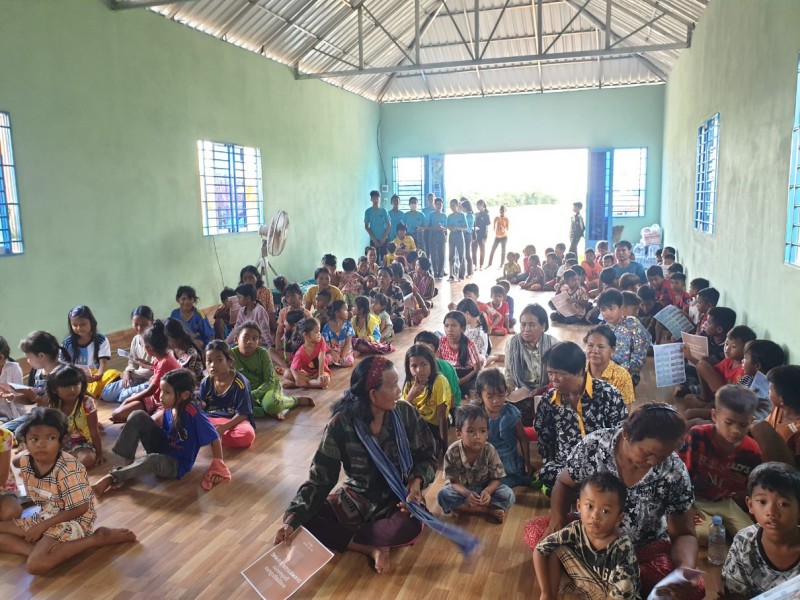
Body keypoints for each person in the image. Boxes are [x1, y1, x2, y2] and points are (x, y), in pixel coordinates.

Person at [273, 357, 438, 574]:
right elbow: (320, 479)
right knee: (304, 520)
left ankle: (355, 539)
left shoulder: (405, 413)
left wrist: (416, 482)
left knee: (409, 525)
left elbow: (428, 456)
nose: (400, 392)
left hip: (397, 500)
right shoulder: (341, 424)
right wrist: (292, 520)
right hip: (356, 499)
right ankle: (369, 548)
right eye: (392, 386)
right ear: (372, 394)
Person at [524, 404, 703, 598]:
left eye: (663, 456)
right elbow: (564, 483)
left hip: (642, 547)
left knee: (694, 587)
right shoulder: (595, 446)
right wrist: (557, 519)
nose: (653, 462)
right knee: (537, 532)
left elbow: (684, 533)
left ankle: (588, 579)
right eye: (647, 453)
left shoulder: (673, 471)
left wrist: (684, 569)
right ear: (626, 434)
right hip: (592, 537)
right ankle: (602, 581)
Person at [0, 408, 136, 575]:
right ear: (25, 443)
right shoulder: (26, 460)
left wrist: (41, 527)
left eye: (50, 438)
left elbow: (80, 509)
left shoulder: (69, 467)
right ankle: (44, 550)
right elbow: (15, 460)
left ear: (62, 440)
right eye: (34, 439)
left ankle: (96, 539)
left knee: (36, 565)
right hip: (47, 516)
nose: (41, 444)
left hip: (74, 520)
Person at [93, 369, 228, 496]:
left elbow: (215, 438)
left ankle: (114, 477)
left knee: (152, 460)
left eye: (167, 392)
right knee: (137, 415)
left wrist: (218, 465)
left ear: (184, 395)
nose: (161, 396)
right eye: (161, 391)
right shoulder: (170, 407)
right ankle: (128, 466)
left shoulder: (193, 414)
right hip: (162, 447)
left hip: (176, 465)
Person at [534, 342, 627, 489]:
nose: (553, 379)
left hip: (602, 466)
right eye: (550, 373)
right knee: (547, 473)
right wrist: (549, 462)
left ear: (578, 371)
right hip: (567, 467)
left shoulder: (608, 394)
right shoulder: (549, 401)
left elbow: (620, 435)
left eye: (560, 373)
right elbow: (545, 438)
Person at [534, 472, 639, 600]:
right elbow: (540, 549)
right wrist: (546, 593)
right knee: (554, 547)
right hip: (590, 585)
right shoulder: (575, 529)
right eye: (589, 506)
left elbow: (621, 595)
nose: (595, 516)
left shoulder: (622, 549)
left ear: (619, 518)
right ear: (578, 507)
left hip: (615, 595)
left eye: (605, 511)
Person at [678, 385, 762, 545]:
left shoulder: (752, 451)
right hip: (694, 499)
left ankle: (721, 527)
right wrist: (686, 508)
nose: (736, 430)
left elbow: (755, 486)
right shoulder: (697, 436)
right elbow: (679, 475)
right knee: (703, 535)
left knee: (753, 538)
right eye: (729, 422)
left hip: (725, 501)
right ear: (715, 416)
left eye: (743, 425)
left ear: (751, 421)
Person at [722, 462, 800, 597]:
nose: (771, 512)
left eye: (783, 504)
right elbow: (733, 592)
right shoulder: (745, 542)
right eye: (762, 502)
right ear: (750, 505)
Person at [438, 404, 515, 523]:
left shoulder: (489, 450)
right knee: (443, 494)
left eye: (482, 431)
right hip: (463, 491)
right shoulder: (452, 451)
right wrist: (467, 494)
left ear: (487, 433)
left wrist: (487, 491)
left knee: (508, 494)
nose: (477, 436)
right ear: (459, 433)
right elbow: (453, 481)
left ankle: (467, 508)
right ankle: (487, 511)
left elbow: (497, 478)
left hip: (484, 490)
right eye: (471, 431)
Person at [233, 322, 314, 419]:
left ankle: (294, 401)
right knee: (235, 408)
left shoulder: (263, 354)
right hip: (245, 393)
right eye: (246, 337)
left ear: (259, 341)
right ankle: (270, 410)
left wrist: (253, 395)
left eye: (254, 339)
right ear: (236, 339)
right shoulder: (230, 356)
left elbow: (269, 381)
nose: (250, 341)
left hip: (268, 388)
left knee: (270, 405)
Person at [111, 321, 181, 423]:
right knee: (117, 414)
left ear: (148, 348)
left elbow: (150, 391)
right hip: (155, 399)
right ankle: (143, 417)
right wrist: (145, 364)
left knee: (151, 424)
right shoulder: (159, 358)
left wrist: (128, 400)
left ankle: (147, 418)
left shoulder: (165, 362)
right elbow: (155, 371)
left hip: (167, 402)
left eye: (143, 345)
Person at [478, 369, 532, 488]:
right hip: (486, 461)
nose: (496, 401)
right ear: (480, 396)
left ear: (506, 393)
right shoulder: (477, 416)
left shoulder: (511, 413)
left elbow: (523, 438)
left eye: (501, 395)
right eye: (490, 397)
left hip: (509, 462)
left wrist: (527, 463)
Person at [0, 331, 64, 433]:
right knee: (4, 430)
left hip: (56, 418)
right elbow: (31, 400)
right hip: (39, 414)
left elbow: (57, 406)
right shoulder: (37, 372)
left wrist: (34, 397)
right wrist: (12, 397)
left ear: (41, 356)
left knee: (17, 432)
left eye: (29, 357)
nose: (28, 361)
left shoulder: (61, 375)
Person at [504, 304, 557, 424]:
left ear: (543, 326)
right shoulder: (512, 344)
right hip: (524, 393)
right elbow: (509, 373)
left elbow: (559, 377)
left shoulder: (553, 345)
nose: (526, 329)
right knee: (505, 412)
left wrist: (543, 389)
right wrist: (507, 395)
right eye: (523, 324)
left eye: (532, 325)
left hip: (549, 390)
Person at [199, 340, 256, 449]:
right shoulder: (206, 382)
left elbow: (243, 413)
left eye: (219, 360)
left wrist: (223, 428)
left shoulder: (240, 383)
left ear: (229, 361)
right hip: (212, 419)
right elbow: (202, 408)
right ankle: (213, 436)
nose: (212, 365)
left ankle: (211, 437)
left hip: (235, 421)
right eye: (209, 361)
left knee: (246, 436)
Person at [46, 365, 103, 468]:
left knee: (88, 459)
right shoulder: (53, 405)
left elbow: (94, 430)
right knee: (19, 460)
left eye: (76, 384)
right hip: (61, 445)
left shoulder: (87, 402)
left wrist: (99, 453)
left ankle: (60, 467)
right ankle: (63, 464)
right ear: (54, 389)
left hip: (83, 444)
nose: (72, 389)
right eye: (65, 386)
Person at [62, 305, 121, 400]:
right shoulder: (68, 342)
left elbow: (103, 362)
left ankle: (95, 392)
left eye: (83, 324)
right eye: (75, 325)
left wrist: (97, 376)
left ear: (91, 322)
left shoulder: (101, 339)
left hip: (96, 376)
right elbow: (64, 364)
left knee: (113, 373)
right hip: (76, 379)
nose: (79, 328)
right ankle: (94, 393)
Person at [401, 344, 450, 455]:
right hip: (416, 424)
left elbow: (441, 417)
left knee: (431, 452)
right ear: (408, 368)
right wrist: (411, 395)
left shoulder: (439, 381)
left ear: (431, 364)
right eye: (414, 366)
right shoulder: (409, 383)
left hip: (433, 425)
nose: (419, 370)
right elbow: (400, 411)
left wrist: (445, 448)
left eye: (424, 364)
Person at [101, 306, 154, 403]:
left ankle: (133, 396)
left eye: (144, 324)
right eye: (136, 324)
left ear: (152, 322)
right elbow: (132, 362)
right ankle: (132, 395)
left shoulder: (157, 340)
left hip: (150, 380)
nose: (139, 328)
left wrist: (133, 374)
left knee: (122, 397)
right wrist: (127, 371)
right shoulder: (136, 339)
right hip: (136, 376)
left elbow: (155, 370)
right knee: (106, 394)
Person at [597, 290, 651, 386]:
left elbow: (640, 353)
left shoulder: (632, 324)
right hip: (604, 373)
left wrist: (629, 372)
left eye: (611, 308)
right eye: (603, 309)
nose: (607, 313)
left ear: (621, 308)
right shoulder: (602, 329)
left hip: (627, 375)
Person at [584, 326, 635, 410]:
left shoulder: (622, 376)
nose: (594, 350)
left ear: (612, 351)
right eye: (590, 345)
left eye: (600, 347)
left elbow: (625, 412)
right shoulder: (579, 369)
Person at [414, 331, 462, 410]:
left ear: (436, 353)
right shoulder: (412, 369)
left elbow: (452, 398)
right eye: (418, 351)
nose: (422, 356)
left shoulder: (446, 368)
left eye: (428, 353)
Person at [740, 339, 786, 420]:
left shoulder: (774, 388)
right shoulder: (747, 378)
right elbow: (732, 395)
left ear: (757, 366)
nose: (742, 361)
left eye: (745, 358)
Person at [438, 312, 482, 397]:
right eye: (446, 326)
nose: (449, 329)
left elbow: (477, 368)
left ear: (462, 328)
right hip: (448, 373)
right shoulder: (441, 342)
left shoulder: (470, 344)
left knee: (463, 390)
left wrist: (460, 381)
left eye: (453, 326)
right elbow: (438, 364)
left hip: (466, 375)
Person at [283, 318, 331, 390]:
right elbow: (293, 368)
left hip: (321, 372)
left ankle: (297, 385)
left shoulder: (321, 341)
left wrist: (320, 375)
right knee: (287, 373)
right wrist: (298, 379)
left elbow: (321, 358)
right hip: (307, 375)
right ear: (306, 335)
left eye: (319, 331)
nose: (319, 334)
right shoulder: (300, 352)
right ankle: (307, 384)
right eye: (316, 332)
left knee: (325, 381)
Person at [164, 317, 204, 384]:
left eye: (167, 340)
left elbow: (187, 380)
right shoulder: (173, 350)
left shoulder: (191, 354)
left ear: (178, 338)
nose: (165, 343)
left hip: (193, 387)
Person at [275, 283, 312, 354]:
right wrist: (278, 348)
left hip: (302, 345)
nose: (290, 299)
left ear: (300, 296)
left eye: (293, 295)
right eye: (287, 297)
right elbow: (279, 332)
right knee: (271, 351)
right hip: (287, 344)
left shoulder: (307, 313)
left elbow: (310, 332)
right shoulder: (283, 312)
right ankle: (284, 362)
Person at [239, 265, 277, 332]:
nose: (247, 281)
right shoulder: (240, 293)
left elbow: (270, 311)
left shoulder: (265, 291)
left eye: (251, 278)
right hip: (245, 325)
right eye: (244, 279)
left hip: (262, 324)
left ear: (257, 277)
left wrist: (275, 328)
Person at [322, 300, 355, 368]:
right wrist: (334, 354)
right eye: (345, 310)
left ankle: (339, 361)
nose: (348, 312)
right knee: (326, 359)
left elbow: (348, 343)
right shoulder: (326, 327)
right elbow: (326, 344)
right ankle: (337, 361)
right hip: (333, 351)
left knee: (349, 361)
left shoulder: (348, 324)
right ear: (337, 313)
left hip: (345, 351)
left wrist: (342, 356)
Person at [424, 197, 447, 279]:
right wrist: (434, 227)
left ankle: (440, 272)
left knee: (441, 254)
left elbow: (446, 227)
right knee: (433, 254)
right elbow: (427, 227)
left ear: (442, 205)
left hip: (441, 234)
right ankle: (435, 272)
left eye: (440, 204)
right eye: (437, 204)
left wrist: (442, 228)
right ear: (435, 204)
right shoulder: (431, 214)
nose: (439, 205)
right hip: (433, 234)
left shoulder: (444, 215)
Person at [364, 190, 390, 262]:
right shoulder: (368, 211)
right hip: (373, 239)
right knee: (373, 260)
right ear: (371, 199)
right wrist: (374, 240)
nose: (376, 199)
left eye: (377, 197)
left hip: (384, 239)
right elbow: (366, 226)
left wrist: (383, 238)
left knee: (385, 259)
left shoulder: (384, 211)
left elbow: (388, 225)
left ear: (379, 198)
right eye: (374, 198)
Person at [445, 199, 467, 281]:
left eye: (453, 205)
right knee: (451, 255)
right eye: (451, 205)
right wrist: (451, 228)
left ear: (457, 205)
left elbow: (466, 227)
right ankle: (451, 275)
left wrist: (457, 228)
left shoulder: (462, 215)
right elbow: (447, 226)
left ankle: (461, 275)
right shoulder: (449, 216)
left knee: (461, 255)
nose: (452, 207)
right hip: (452, 235)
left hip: (459, 235)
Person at [472, 199, 491, 270]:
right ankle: (475, 265)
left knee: (482, 250)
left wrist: (485, 237)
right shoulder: (475, 214)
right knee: (474, 250)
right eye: (477, 205)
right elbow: (472, 224)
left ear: (483, 205)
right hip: (474, 235)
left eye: (479, 205)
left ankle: (481, 265)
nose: (478, 206)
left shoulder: (486, 215)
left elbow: (487, 227)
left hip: (482, 235)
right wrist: (475, 217)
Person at [460, 198, 474, 276]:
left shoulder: (469, 216)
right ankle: (468, 271)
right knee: (465, 253)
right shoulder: (469, 215)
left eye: (463, 207)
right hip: (466, 235)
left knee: (467, 253)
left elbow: (466, 226)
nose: (462, 209)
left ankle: (469, 271)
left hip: (467, 235)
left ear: (466, 207)